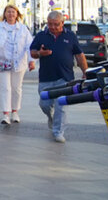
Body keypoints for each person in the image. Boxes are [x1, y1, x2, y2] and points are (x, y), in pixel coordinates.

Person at [30, 11, 87, 143]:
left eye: (56, 24)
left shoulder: (71, 36)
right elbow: (32, 52)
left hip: (65, 78)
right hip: (46, 77)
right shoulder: (41, 36)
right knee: (45, 104)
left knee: (61, 105)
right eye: (50, 24)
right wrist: (40, 53)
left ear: (62, 23)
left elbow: (79, 55)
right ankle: (51, 117)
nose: (53, 27)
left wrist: (85, 71)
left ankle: (58, 132)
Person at [0, 4, 35, 125]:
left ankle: (15, 111)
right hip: (3, 62)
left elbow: (30, 46)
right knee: (5, 88)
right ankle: (6, 114)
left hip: (19, 62)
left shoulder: (23, 29)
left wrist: (31, 60)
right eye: (8, 12)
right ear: (5, 14)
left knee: (16, 88)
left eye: (13, 12)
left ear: (17, 14)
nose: (11, 14)